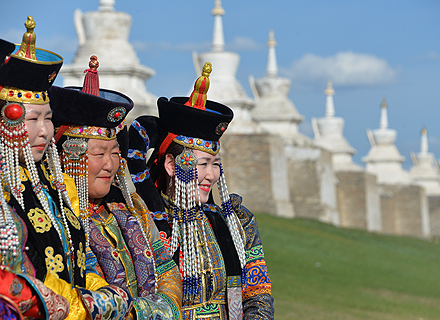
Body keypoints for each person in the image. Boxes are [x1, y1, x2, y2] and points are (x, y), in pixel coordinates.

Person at [0, 17, 133, 320]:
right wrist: (86, 305)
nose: (45, 131)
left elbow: (79, 265)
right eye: (32, 119)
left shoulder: (54, 186)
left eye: (48, 119)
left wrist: (108, 295)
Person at [127, 62, 274, 319]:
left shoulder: (237, 224)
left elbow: (258, 296)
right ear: (172, 164)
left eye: (216, 164)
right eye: (203, 164)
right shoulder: (141, 223)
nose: (211, 175)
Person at [49, 56, 182, 319]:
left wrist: (147, 311)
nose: (110, 165)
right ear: (69, 156)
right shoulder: (59, 216)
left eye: (115, 153)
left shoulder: (131, 207)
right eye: (99, 154)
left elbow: (168, 272)